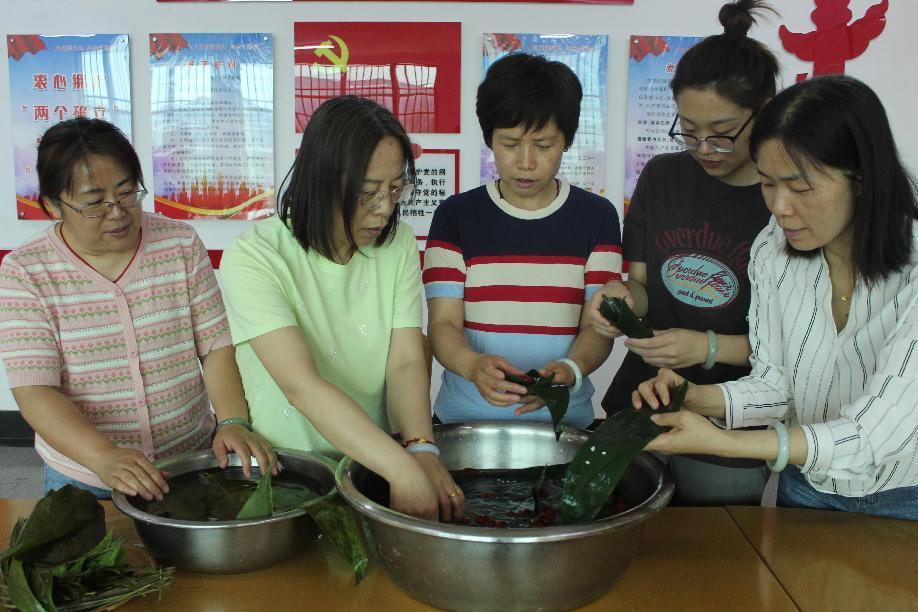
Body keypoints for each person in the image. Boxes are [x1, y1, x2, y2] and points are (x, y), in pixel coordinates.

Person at [634, 75, 918, 520]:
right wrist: (696, 397)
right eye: (767, 184)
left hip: (903, 496)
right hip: (805, 484)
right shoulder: (774, 249)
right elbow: (776, 384)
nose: (780, 207)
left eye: (800, 187)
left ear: (862, 179)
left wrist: (724, 442)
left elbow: (876, 434)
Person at [0, 118, 274, 501]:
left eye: (127, 193)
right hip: (86, 477)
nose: (117, 212)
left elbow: (215, 346)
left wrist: (231, 420)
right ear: (53, 205)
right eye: (94, 202)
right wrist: (103, 457)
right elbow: (36, 390)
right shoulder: (26, 272)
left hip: (189, 459)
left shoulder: (179, 244)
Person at [220, 96, 462, 522]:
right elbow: (301, 384)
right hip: (287, 468)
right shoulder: (255, 256)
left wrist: (420, 448)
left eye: (395, 188)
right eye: (367, 193)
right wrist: (403, 469)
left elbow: (405, 360)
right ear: (321, 180)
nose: (384, 209)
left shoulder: (398, 244)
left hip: (373, 460)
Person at [587, 0, 779, 505]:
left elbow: (799, 347)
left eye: (722, 135)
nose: (704, 149)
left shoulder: (786, 200)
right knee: (619, 521)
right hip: (642, 398)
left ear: (765, 113)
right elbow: (642, 288)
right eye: (689, 131)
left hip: (732, 418)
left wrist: (707, 347)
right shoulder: (662, 177)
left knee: (715, 542)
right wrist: (621, 303)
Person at [423, 52, 620, 429]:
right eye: (510, 144)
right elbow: (443, 324)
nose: (526, 162)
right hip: (464, 420)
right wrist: (471, 365)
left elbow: (597, 327)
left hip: (564, 423)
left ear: (567, 141)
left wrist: (570, 369)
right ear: (489, 139)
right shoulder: (456, 216)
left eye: (543, 146)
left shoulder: (597, 217)